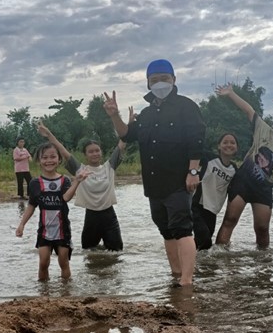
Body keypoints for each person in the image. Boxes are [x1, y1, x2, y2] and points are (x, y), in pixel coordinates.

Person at [103, 59, 205, 286]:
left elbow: (196, 140)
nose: (160, 83)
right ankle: (176, 274)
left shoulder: (186, 107)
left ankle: (187, 281)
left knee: (182, 228)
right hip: (153, 184)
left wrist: (193, 171)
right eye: (155, 80)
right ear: (148, 83)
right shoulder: (146, 114)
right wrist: (114, 115)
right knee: (166, 230)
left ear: (174, 80)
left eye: (164, 78)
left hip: (179, 180)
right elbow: (126, 135)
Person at [214, 85, 273, 249]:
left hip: (264, 189)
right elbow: (249, 110)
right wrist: (231, 94)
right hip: (243, 181)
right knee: (230, 219)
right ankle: (219, 254)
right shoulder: (263, 130)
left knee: (262, 229)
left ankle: (263, 264)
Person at [36, 121, 127, 251]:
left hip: (109, 216)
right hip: (91, 217)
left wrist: (129, 124)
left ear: (101, 152)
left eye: (97, 151)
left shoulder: (110, 166)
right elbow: (63, 150)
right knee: (88, 252)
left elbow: (121, 144)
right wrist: (49, 134)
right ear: (85, 155)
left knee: (116, 253)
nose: (95, 154)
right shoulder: (80, 169)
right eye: (91, 152)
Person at [15, 142, 88, 280]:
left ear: (59, 159)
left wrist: (77, 182)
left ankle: (66, 292)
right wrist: (22, 224)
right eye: (45, 157)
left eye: (53, 157)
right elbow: (31, 206)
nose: (49, 161)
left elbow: (66, 197)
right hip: (44, 231)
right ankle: (43, 293)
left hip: (63, 230)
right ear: (39, 161)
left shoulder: (64, 180)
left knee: (63, 263)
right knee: (43, 263)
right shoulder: (35, 183)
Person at [192, 133, 239, 250]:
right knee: (205, 239)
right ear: (219, 146)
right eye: (225, 142)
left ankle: (198, 266)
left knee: (204, 246)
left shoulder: (235, 170)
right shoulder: (209, 158)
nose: (229, 145)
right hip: (196, 205)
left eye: (232, 143)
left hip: (213, 211)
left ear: (237, 148)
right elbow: (193, 153)